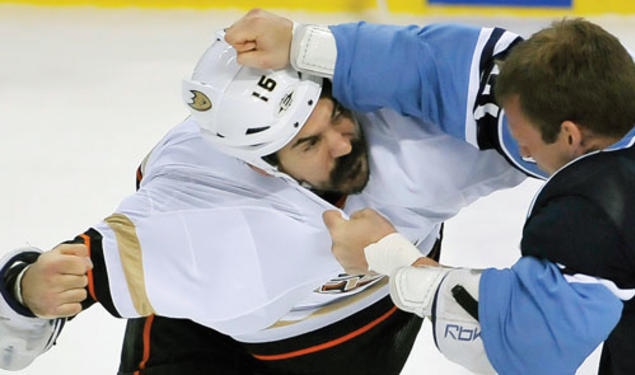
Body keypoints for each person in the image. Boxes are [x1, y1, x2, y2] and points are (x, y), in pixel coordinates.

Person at [0, 31, 526, 374]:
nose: (344, 143)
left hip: (352, 333)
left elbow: (580, 106)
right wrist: (24, 290)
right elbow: (39, 299)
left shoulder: (416, 139)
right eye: (308, 144)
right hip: (207, 332)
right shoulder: (197, 197)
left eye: (333, 115)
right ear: (258, 162)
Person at [225, 10, 634, 375]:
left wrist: (393, 258)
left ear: (569, 134)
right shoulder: (597, 100)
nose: (520, 151)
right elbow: (434, 67)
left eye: (525, 141)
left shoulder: (596, 211)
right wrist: (303, 43)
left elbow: (530, 347)